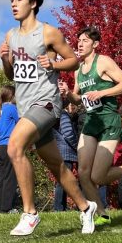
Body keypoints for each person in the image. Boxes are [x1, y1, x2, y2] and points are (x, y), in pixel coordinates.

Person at [0, 0, 96, 235]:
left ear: (33, 3)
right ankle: (86, 208)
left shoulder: (48, 32)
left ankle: (29, 213)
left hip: (47, 103)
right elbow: (11, 76)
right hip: (26, 106)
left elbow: (73, 61)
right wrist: (4, 59)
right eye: (11, 0)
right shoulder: (11, 35)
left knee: (15, 146)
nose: (13, 4)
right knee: (57, 165)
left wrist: (54, 65)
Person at [68, 26, 122, 227]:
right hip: (91, 121)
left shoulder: (103, 61)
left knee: (97, 176)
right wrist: (66, 93)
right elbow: (77, 99)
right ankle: (102, 213)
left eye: (85, 40)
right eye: (79, 40)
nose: (80, 44)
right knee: (83, 174)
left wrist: (102, 93)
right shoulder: (78, 71)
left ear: (95, 44)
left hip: (109, 120)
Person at [0, 85, 20, 214]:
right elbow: (22, 122)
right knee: (10, 178)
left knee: (0, 177)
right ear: (12, 96)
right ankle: (6, 208)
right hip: (8, 146)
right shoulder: (12, 109)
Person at [52, 81, 79, 212]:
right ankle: (58, 208)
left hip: (59, 150)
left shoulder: (56, 115)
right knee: (63, 181)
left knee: (62, 181)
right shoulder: (63, 115)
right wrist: (77, 147)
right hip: (65, 151)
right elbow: (68, 133)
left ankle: (60, 207)